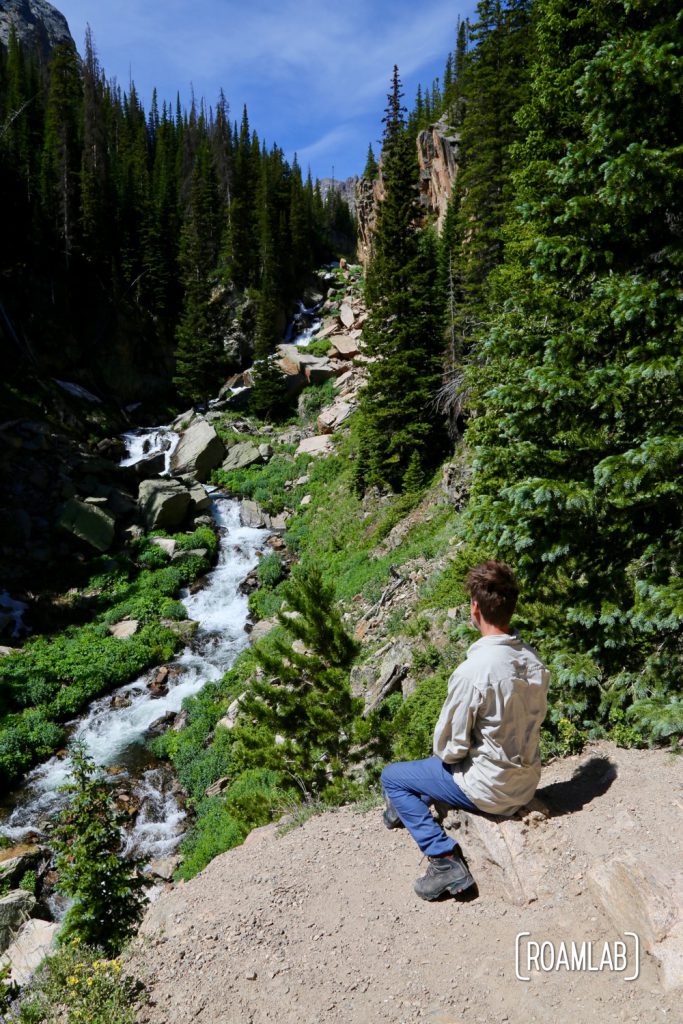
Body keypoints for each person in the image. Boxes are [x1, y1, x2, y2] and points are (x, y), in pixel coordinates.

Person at [381, 560, 550, 901]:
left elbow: (449, 750)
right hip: (527, 780)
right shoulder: (534, 661)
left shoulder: (474, 671)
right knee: (427, 774)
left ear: (475, 609)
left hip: (490, 789)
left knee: (393, 777)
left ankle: (444, 861)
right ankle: (412, 804)